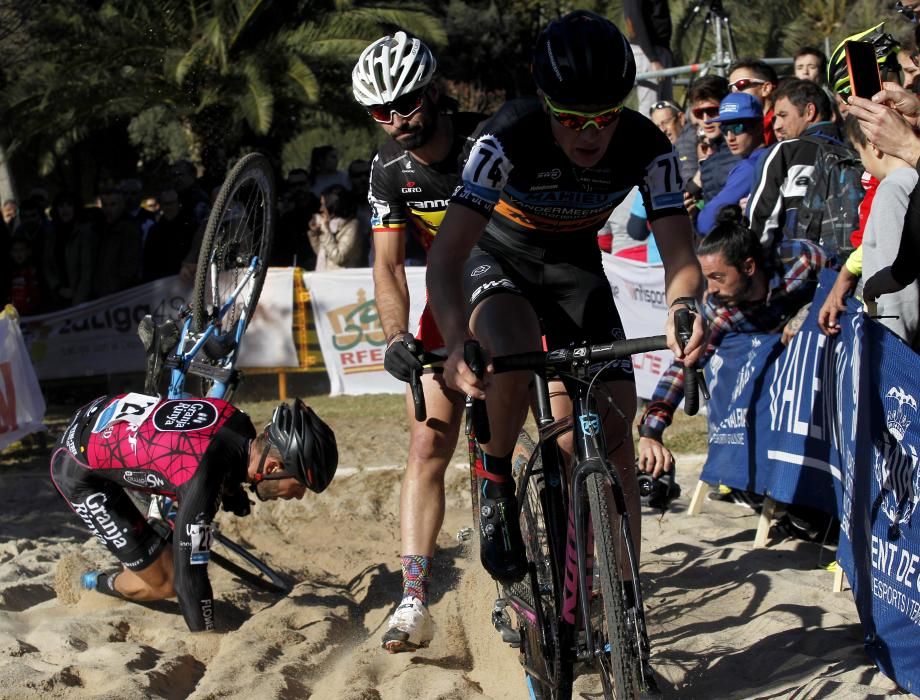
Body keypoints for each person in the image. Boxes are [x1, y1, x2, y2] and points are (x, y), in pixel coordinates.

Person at [426, 12, 704, 690]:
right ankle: (495, 474)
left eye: (604, 118)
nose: (590, 135)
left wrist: (681, 308)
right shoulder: (505, 137)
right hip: (498, 259)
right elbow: (448, 254)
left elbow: (679, 256)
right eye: (571, 119)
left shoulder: (645, 145)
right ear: (544, 105)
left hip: (576, 269)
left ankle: (626, 611)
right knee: (514, 349)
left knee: (614, 431)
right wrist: (458, 334)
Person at [351, 31, 487, 653]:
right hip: (450, 299)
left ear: (433, 93)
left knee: (560, 427)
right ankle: (412, 598)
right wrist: (396, 334)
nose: (396, 120)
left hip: (520, 286)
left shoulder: (486, 142)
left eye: (406, 104)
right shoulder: (387, 168)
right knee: (427, 438)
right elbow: (386, 264)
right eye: (381, 112)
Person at [52, 394, 337, 632]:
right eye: (300, 485)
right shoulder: (204, 479)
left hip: (99, 414)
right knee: (164, 582)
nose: (298, 495)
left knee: (173, 535)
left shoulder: (239, 424)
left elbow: (213, 449)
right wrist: (206, 640)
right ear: (273, 467)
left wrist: (233, 491)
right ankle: (89, 583)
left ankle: (147, 548)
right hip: (78, 470)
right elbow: (189, 581)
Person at [638, 207, 829, 475]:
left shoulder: (801, 259)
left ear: (749, 266)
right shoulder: (719, 309)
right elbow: (684, 364)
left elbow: (849, 279)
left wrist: (808, 315)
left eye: (718, 277)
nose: (711, 289)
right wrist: (651, 429)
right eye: (706, 279)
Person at [820, 115, 920, 348]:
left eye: (858, 151)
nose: (863, 165)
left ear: (875, 146)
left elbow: (898, 291)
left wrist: (885, 350)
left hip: (900, 348)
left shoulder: (892, 190)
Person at [746, 79, 841, 251]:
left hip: (793, 271)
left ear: (809, 111)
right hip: (849, 271)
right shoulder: (856, 149)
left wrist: (754, 266)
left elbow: (761, 220)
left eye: (783, 116)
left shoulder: (785, 152)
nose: (776, 126)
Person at [696, 93, 768, 235]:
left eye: (737, 127)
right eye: (724, 129)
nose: (730, 137)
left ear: (759, 127)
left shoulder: (750, 167)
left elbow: (705, 223)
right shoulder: (768, 155)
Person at [683, 76, 736, 216]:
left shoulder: (738, 150)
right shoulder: (710, 151)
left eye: (713, 111)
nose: (706, 120)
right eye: (699, 113)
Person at [624, 0, 674, 118]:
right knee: (650, 107)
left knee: (668, 108)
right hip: (646, 52)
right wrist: (653, 58)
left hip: (660, 49)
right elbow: (635, 21)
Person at [93, 188, 143, 298]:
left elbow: (129, 268)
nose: (108, 209)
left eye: (112, 204)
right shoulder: (102, 228)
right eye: (105, 205)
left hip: (119, 295)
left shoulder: (130, 229)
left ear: (122, 205)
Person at [142, 188, 197, 282]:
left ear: (178, 203)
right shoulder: (154, 230)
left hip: (186, 278)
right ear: (161, 205)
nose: (169, 207)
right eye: (165, 203)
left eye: (171, 203)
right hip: (161, 281)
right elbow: (149, 261)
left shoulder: (191, 227)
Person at [307, 184, 364, 270]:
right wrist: (315, 233)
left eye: (324, 205)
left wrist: (325, 231)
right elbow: (321, 253)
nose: (320, 209)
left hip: (340, 280)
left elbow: (338, 257)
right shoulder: (328, 224)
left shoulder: (352, 226)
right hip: (324, 277)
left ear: (334, 205)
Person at [728, 58, 779, 146]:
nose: (735, 92)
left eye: (741, 84)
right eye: (731, 88)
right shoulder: (735, 129)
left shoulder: (782, 123)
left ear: (766, 88)